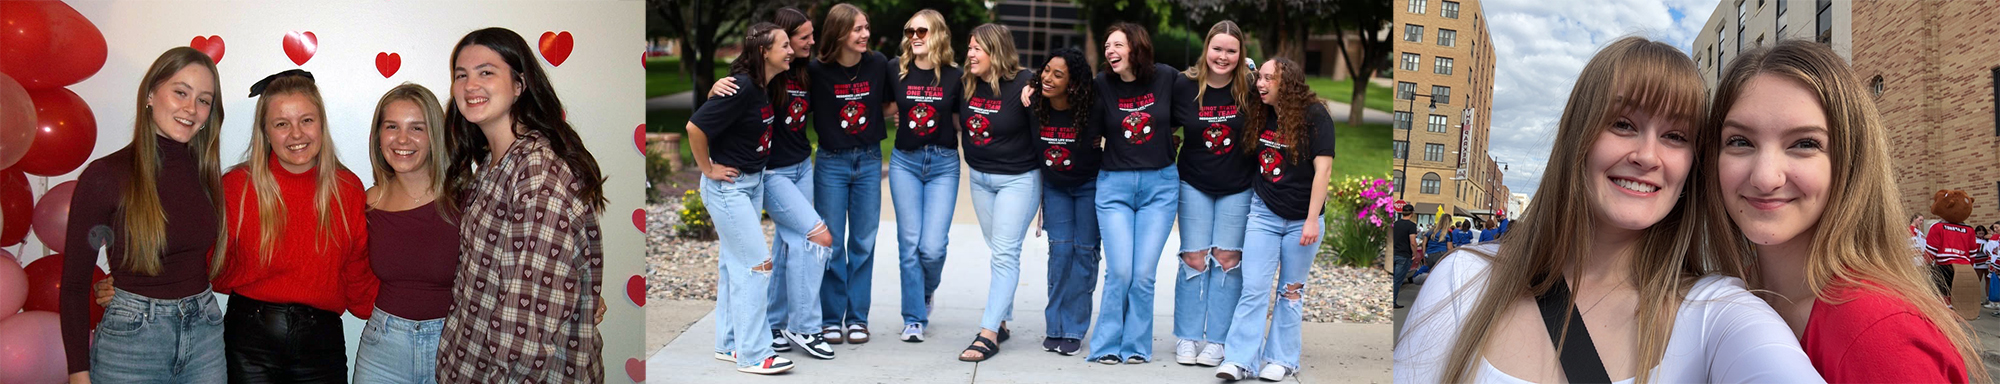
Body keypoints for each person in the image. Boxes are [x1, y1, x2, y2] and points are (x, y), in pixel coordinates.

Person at [1393, 36, 1821, 383]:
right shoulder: (1464, 281)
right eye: (1622, 124)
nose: (1647, 156)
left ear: (1693, 164)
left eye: (1675, 136)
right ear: (1578, 137)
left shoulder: (1717, 310)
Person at [1701, 40, 1981, 382]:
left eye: (1805, 143)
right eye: (1740, 141)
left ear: (1850, 163)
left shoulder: (1881, 336)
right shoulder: (1730, 295)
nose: (1765, 177)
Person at [436, 27, 607, 382]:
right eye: (461, 75)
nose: (470, 85)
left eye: (486, 72)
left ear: (519, 84)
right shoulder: (492, 165)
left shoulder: (538, 172)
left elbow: (528, 323)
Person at [61, 47, 230, 384]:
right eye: (180, 92)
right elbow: (75, 286)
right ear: (151, 94)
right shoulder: (105, 176)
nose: (191, 108)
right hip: (132, 344)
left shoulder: (206, 174)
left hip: (205, 334)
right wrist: (78, 373)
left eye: (203, 100)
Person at [210, 69, 375, 383]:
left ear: (322, 124)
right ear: (266, 132)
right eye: (282, 124)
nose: (296, 134)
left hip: (321, 347)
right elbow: (209, 264)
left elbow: (359, 276)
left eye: (306, 120)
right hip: (248, 344)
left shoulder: (348, 189)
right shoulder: (236, 186)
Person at [1213, 57, 1334, 381]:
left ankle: (1282, 359)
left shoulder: (1315, 115)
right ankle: (1240, 360)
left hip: (1302, 219)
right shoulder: (1260, 109)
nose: (1261, 84)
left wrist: (1312, 219)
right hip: (1264, 213)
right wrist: (1246, 67)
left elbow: (1323, 170)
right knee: (1253, 287)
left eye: (1269, 79)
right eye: (1260, 78)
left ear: (1288, 84)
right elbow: (1238, 76)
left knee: (1291, 291)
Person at [686, 22, 794, 374]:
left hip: (751, 183)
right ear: (764, 51)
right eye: (785, 45)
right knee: (757, 265)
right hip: (729, 187)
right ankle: (754, 354)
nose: (791, 51)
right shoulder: (743, 86)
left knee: (734, 265)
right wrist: (707, 168)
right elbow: (695, 127)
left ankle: (729, 344)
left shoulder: (763, 85)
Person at [351, 83, 461, 383]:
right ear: (378, 136)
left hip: (452, 346)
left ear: (434, 136)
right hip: (382, 349)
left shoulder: (464, 199)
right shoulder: (370, 201)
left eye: (417, 128)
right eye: (392, 126)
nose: (402, 139)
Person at [1086, 22, 1182, 365]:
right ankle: (1106, 344)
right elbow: (1076, 108)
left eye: (1118, 45)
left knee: (1142, 275)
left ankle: (1137, 345)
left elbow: (1203, 91)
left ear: (1136, 48)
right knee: (1120, 272)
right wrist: (1031, 87)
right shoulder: (1102, 84)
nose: (1110, 51)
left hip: (1160, 187)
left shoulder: (1167, 77)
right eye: (1107, 45)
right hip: (1115, 188)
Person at [1169, 20, 1260, 367]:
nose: (1223, 56)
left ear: (1241, 54)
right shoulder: (1184, 85)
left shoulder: (1250, 87)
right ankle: (1188, 335)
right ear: (1206, 48)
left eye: (1231, 51)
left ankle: (1219, 340)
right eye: (1217, 48)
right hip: (1194, 183)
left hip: (1237, 186)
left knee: (1227, 260)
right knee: (1193, 258)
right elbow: (1161, 122)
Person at [954, 23, 1040, 362]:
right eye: (969, 48)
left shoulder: (1025, 83)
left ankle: (988, 333)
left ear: (996, 50)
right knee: (999, 251)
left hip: (1018, 180)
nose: (971, 54)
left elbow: (1049, 120)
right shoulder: (967, 83)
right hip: (979, 179)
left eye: (978, 48)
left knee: (1004, 253)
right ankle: (1001, 320)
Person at [887, 9, 962, 343]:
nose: (914, 37)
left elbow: (962, 119)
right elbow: (883, 107)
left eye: (922, 31)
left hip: (943, 165)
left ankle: (926, 290)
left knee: (932, 248)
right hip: (905, 163)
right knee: (909, 244)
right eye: (910, 31)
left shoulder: (956, 76)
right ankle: (914, 318)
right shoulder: (895, 69)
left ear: (939, 35)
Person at [1030, 46, 1102, 357]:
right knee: (1060, 253)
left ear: (1072, 83)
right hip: (1056, 188)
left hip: (1089, 187)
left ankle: (1074, 328)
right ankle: (1055, 325)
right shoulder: (1034, 104)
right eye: (1046, 70)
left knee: (1084, 253)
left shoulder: (1093, 107)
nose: (1047, 78)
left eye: (1057, 75)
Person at [1391, 205, 1420, 310]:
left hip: (1394, 253)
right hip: (1404, 255)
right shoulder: (1411, 225)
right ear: (1412, 213)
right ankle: (1393, 301)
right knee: (1397, 280)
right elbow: (1412, 242)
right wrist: (1414, 253)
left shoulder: (1395, 224)